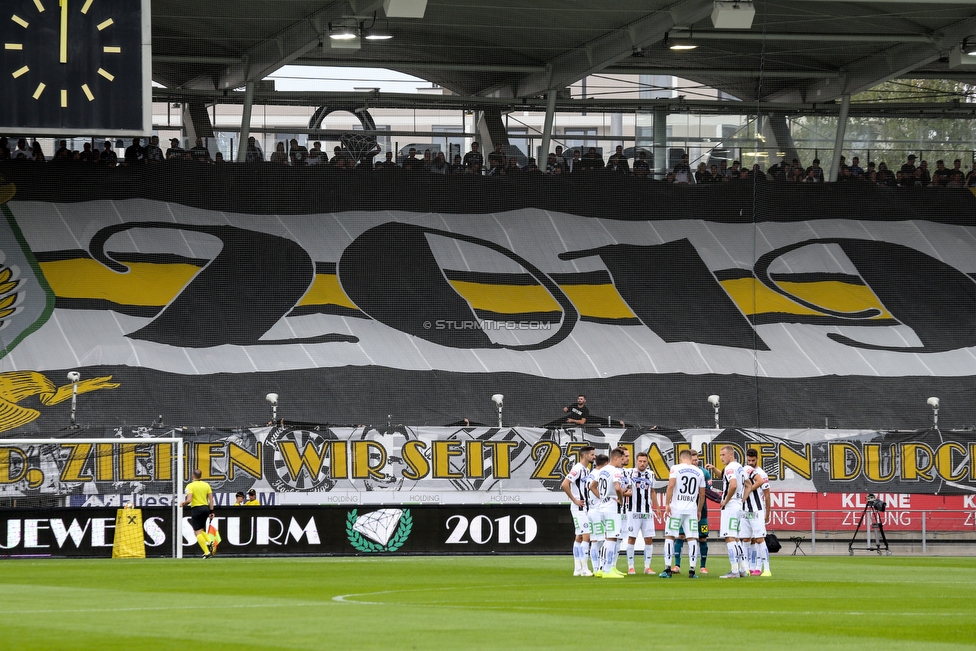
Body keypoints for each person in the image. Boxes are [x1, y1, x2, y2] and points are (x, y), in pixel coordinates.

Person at [660, 449, 705, 579]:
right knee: (692, 538)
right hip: (691, 509)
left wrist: (667, 504)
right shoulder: (699, 472)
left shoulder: (675, 468)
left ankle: (667, 569)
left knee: (670, 537)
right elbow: (702, 494)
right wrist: (699, 510)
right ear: (691, 459)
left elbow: (670, 486)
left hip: (676, 509)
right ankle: (692, 570)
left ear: (680, 458)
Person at [706, 445, 748, 578]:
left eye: (723, 455)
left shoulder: (730, 467)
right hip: (738, 505)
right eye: (720, 455)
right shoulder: (739, 467)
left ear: (731, 455)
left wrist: (726, 500)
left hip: (730, 506)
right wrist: (742, 500)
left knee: (729, 537)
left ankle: (734, 571)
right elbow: (748, 484)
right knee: (736, 538)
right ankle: (742, 569)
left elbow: (733, 484)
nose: (721, 457)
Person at [672, 449, 713, 574]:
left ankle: (702, 566)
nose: (694, 462)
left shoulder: (704, 473)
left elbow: (708, 491)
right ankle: (677, 565)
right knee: (680, 536)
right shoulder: (680, 471)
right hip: (685, 510)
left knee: (702, 537)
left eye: (696, 460)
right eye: (692, 460)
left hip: (702, 512)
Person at [589, 447, 626, 578]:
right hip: (611, 508)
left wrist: (602, 497)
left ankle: (603, 568)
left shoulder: (602, 470)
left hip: (603, 507)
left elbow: (592, 486)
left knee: (608, 538)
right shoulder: (615, 471)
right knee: (611, 538)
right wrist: (621, 499)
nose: (623, 462)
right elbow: (617, 487)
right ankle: (606, 569)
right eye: (622, 459)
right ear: (616, 458)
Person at [561, 445, 596, 576]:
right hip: (579, 507)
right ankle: (585, 568)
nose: (594, 457)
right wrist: (574, 499)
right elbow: (565, 484)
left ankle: (577, 568)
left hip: (584, 506)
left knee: (579, 536)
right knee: (586, 536)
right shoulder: (578, 468)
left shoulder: (586, 470)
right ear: (585, 455)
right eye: (592, 454)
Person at [624, 451, 658, 575]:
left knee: (649, 539)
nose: (642, 463)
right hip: (633, 511)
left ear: (647, 462)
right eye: (640, 461)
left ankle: (647, 567)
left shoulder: (651, 474)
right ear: (636, 461)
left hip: (647, 512)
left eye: (644, 461)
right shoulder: (629, 473)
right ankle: (631, 566)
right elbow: (623, 488)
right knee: (631, 538)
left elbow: (653, 491)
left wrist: (658, 508)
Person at [741, 449, 772, 576]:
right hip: (744, 510)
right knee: (746, 539)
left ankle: (766, 569)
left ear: (757, 459)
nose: (751, 463)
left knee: (759, 539)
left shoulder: (762, 474)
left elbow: (767, 495)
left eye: (753, 460)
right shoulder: (743, 470)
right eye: (749, 460)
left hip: (757, 510)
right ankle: (748, 567)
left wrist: (767, 514)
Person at [179, 469, 216, 558]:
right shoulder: (206, 485)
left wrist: (183, 504)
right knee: (201, 530)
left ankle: (207, 552)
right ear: (201, 476)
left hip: (197, 509)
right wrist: (211, 511)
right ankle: (210, 542)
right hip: (205, 508)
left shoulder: (190, 486)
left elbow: (189, 500)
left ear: (192, 476)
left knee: (196, 532)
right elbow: (211, 500)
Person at [586, 453, 609, 574]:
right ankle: (600, 567)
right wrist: (603, 498)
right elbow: (592, 487)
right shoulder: (599, 474)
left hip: (591, 510)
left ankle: (596, 568)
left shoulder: (591, 473)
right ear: (605, 464)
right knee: (601, 540)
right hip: (597, 510)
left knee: (595, 541)